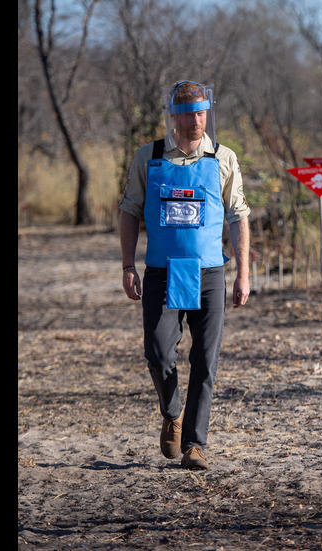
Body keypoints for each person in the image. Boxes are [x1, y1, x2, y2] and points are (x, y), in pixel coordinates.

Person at [119, 80, 251, 470]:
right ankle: (172, 411)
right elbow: (129, 210)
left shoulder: (223, 158)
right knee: (158, 354)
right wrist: (128, 265)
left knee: (205, 360)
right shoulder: (150, 157)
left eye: (201, 112)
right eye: (188, 113)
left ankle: (195, 443)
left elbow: (239, 215)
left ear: (208, 111)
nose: (196, 120)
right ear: (172, 115)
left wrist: (243, 273)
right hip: (161, 271)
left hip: (209, 271)